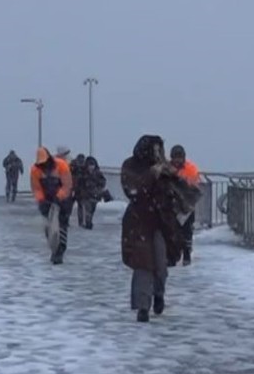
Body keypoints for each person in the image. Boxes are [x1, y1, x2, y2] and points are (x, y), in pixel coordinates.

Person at [120, 135, 193, 323]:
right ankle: (143, 307)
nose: (158, 153)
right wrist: (151, 174)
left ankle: (158, 293)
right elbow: (132, 190)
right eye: (155, 149)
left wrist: (173, 178)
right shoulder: (131, 165)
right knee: (143, 265)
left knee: (161, 264)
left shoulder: (164, 167)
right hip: (139, 223)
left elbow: (179, 193)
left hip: (161, 222)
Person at [30, 146, 73, 264]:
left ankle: (60, 252)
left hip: (63, 200)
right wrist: (41, 200)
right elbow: (36, 188)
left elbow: (67, 184)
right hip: (47, 200)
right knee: (49, 227)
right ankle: (54, 249)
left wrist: (59, 197)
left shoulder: (61, 165)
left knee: (62, 226)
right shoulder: (35, 170)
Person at [169, 145, 201, 265]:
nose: (177, 160)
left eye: (180, 157)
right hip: (172, 204)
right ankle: (172, 255)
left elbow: (193, 186)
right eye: (175, 157)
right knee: (172, 230)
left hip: (187, 204)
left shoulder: (191, 168)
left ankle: (186, 256)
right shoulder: (166, 168)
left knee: (187, 230)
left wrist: (179, 179)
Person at [76, 155, 110, 230]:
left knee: (92, 209)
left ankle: (89, 221)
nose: (91, 167)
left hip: (95, 195)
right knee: (87, 209)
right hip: (86, 195)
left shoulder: (97, 173)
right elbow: (80, 184)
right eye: (90, 165)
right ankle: (88, 223)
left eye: (92, 165)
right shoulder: (83, 173)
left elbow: (103, 181)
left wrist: (98, 187)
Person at [71, 153, 89, 226]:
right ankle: (80, 222)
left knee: (80, 206)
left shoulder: (84, 167)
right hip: (74, 189)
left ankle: (80, 222)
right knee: (74, 206)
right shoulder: (73, 166)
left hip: (79, 189)